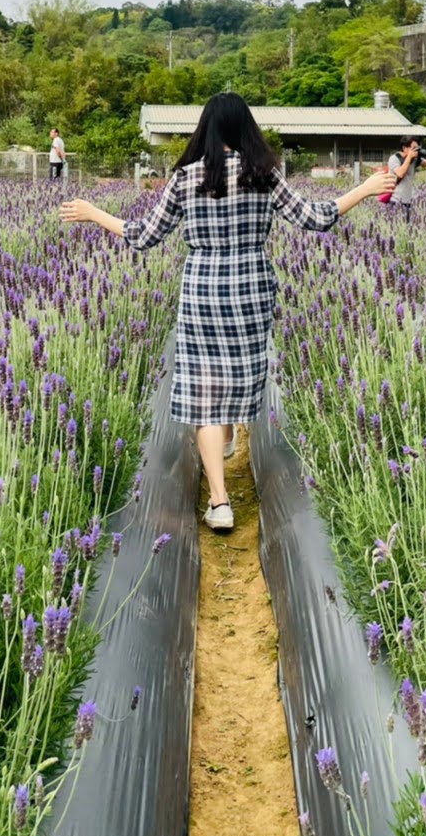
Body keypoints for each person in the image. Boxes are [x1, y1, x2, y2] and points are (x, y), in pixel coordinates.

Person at [60, 92, 395, 534]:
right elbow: (316, 218)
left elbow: (143, 236)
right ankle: (230, 434)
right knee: (241, 374)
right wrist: (366, 189)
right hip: (250, 289)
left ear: (206, 129)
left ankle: (219, 501)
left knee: (204, 391)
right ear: (244, 129)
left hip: (202, 291)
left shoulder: (185, 178)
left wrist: (93, 213)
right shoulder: (264, 175)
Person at [388, 137, 420, 207]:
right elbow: (400, 173)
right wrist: (409, 157)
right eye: (414, 148)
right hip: (395, 200)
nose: (416, 150)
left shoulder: (414, 160)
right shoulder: (394, 159)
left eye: (417, 148)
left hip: (408, 201)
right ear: (404, 148)